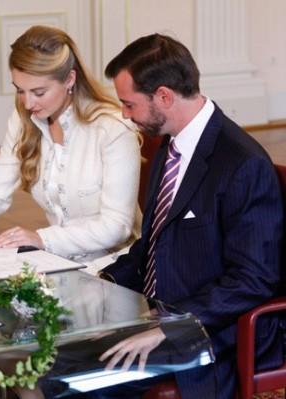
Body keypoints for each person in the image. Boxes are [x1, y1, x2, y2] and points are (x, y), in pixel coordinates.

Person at [88, 33, 283, 399]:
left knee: (79, 380)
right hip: (157, 312)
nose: (124, 116)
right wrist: (102, 282)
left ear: (163, 96)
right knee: (41, 359)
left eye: (129, 105)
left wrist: (170, 325)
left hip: (210, 331)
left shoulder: (243, 165)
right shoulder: (171, 145)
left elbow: (253, 279)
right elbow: (157, 240)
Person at [0, 25, 141, 263]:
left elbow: (117, 226)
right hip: (58, 262)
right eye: (20, 91)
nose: (27, 103)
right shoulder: (23, 119)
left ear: (70, 79)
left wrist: (41, 239)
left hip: (116, 267)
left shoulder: (113, 128)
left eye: (38, 92)